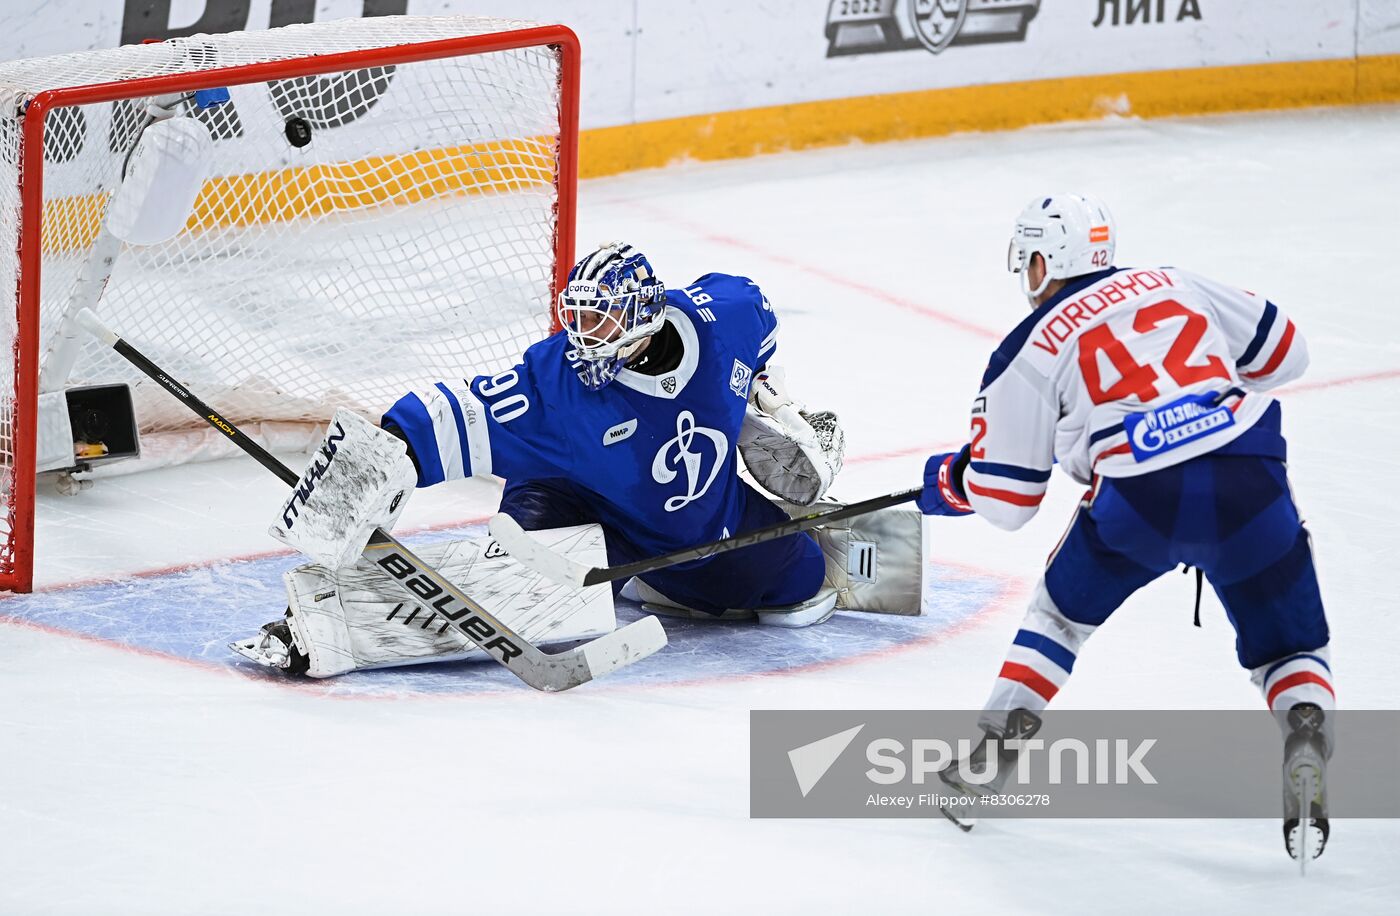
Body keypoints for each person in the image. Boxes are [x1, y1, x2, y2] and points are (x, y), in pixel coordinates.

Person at [918, 195, 1333, 861]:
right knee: (1289, 648)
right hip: (1248, 471)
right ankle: (1305, 742)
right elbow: (1288, 352)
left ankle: (983, 767)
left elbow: (1009, 499)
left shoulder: (1027, 347)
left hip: (1144, 495)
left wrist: (952, 480)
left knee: (1058, 620)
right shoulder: (1178, 281)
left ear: (1042, 261)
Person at [233, 241, 856, 678]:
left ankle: (655, 580)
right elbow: (459, 411)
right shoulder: (557, 383)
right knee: (520, 593)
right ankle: (326, 627)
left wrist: (767, 402)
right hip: (568, 495)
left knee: (799, 590)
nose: (583, 336)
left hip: (685, 521)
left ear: (645, 314)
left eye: (601, 320)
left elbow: (757, 328)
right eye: (577, 316)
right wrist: (383, 455)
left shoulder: (724, 318)